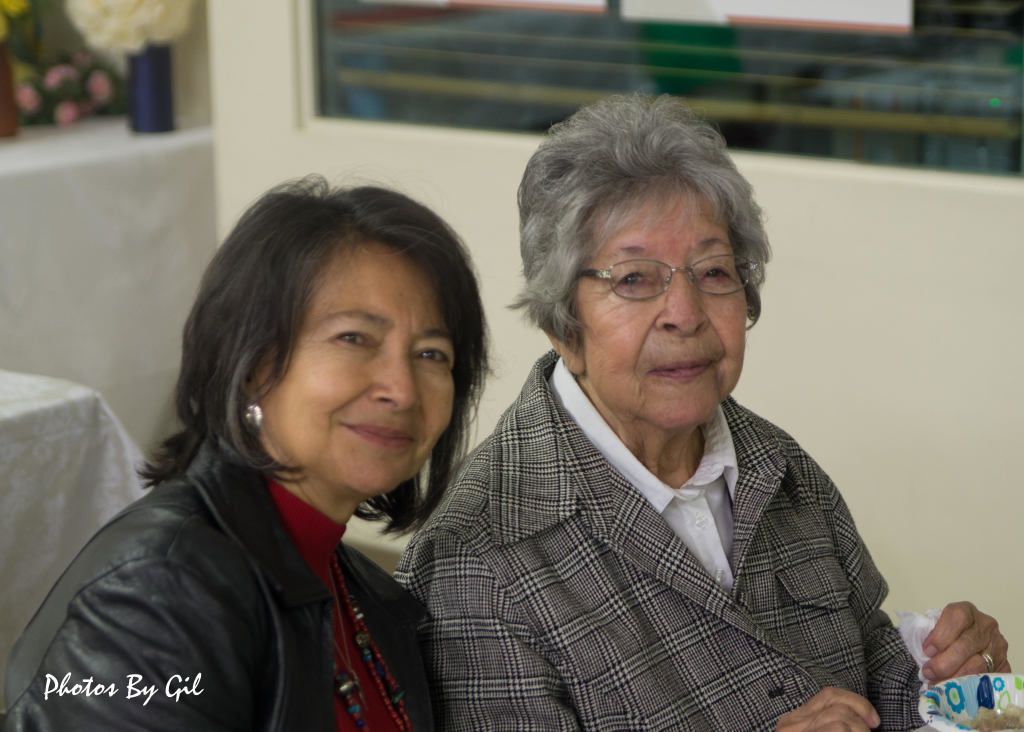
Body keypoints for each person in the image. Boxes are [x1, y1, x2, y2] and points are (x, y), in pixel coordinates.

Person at [395, 95, 1010, 731]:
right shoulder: (478, 560)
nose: (685, 312)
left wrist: (975, 690)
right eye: (634, 279)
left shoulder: (779, 467)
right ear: (561, 322)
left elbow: (879, 681)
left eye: (713, 271)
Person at [3, 177, 488, 731]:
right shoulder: (157, 594)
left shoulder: (361, 587)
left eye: (431, 353)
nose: (401, 389)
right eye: (354, 338)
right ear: (254, 363)